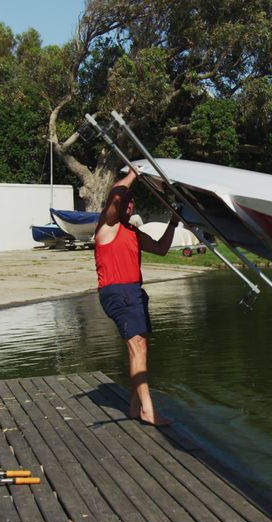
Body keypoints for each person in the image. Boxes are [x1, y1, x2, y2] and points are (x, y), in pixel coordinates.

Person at [94, 169, 179, 425]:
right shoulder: (108, 226)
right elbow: (116, 197)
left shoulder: (132, 232)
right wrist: (133, 174)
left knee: (140, 348)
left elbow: (161, 249)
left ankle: (134, 406)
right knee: (137, 347)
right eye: (126, 201)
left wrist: (173, 222)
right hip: (118, 292)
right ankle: (147, 410)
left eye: (132, 202)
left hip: (134, 292)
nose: (128, 205)